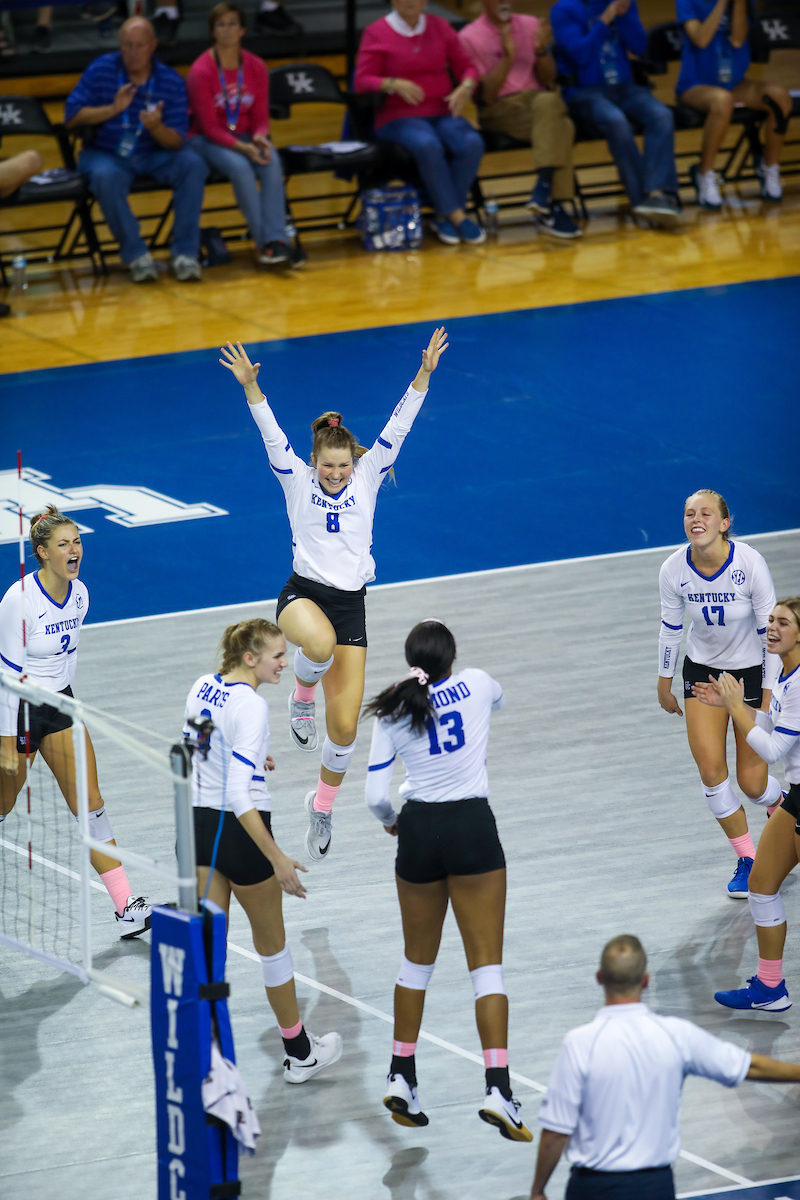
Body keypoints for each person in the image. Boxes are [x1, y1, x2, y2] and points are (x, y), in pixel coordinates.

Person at [219, 327, 448, 863]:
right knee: (317, 645)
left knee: (344, 730)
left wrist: (423, 374)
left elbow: (399, 425)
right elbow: (271, 433)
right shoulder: (296, 480)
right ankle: (301, 696)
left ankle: (320, 807)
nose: (337, 474)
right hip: (302, 597)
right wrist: (251, 387)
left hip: (351, 607)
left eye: (344, 465)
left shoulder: (368, 476)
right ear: (315, 460)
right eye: (328, 465)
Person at [363, 619, 531, 1141]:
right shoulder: (476, 683)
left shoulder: (392, 707)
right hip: (471, 827)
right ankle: (498, 1090)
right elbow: (499, 699)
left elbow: (375, 797)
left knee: (415, 963)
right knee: (487, 971)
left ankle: (401, 1074)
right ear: (451, 656)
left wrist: (393, 822)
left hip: (418, 830)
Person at [183, 618, 342, 1082]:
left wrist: (251, 756)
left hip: (197, 829)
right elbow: (238, 793)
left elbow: (196, 750)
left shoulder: (202, 686)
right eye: (277, 655)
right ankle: (299, 1053)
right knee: (272, 948)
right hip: (241, 835)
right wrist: (276, 857)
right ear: (250, 659)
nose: (285, 663)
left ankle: (206, 1055)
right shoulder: (251, 705)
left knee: (209, 948)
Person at [528, 934, 800, 1200]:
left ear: (600, 978)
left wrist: (538, 1190)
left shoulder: (578, 1043)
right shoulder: (676, 1035)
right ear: (646, 981)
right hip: (654, 1187)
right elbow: (751, 1067)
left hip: (591, 1189)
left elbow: (555, 1133)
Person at [0, 506, 151, 938]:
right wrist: (7, 744)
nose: (74, 550)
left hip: (61, 706)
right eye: (63, 544)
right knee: (2, 805)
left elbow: (66, 661)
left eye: (78, 542)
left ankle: (126, 905)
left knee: (91, 804)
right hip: (18, 709)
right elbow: (6, 677)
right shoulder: (19, 601)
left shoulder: (80, 594)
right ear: (42, 552)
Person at [657, 488, 780, 896]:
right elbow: (671, 627)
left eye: (706, 513)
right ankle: (749, 859)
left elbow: (771, 636)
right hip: (703, 673)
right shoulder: (673, 569)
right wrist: (664, 681)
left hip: (749, 674)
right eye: (690, 513)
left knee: (752, 784)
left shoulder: (749, 563)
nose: (696, 519)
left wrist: (767, 697)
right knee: (711, 773)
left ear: (724, 524)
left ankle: (783, 806)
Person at [694, 597, 800, 1013]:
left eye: (783, 623)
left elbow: (772, 751)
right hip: (796, 799)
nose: (771, 627)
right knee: (760, 885)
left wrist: (738, 710)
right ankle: (771, 988)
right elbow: (771, 727)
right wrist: (732, 706)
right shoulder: (787, 675)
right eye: (770, 620)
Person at [64, 17, 208, 283]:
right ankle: (136, 255)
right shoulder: (100, 69)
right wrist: (112, 110)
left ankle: (185, 254)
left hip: (154, 152)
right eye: (127, 45)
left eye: (140, 45)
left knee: (192, 164)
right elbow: (71, 118)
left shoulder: (169, 80)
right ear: (120, 45)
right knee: (105, 176)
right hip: (105, 153)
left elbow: (176, 141)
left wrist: (156, 127)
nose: (133, 52)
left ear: (153, 45)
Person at [354, 0, 487, 246]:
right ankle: (457, 216)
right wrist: (392, 83)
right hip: (397, 116)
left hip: (442, 110)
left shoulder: (440, 26)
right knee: (428, 144)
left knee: (472, 142)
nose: (410, 1)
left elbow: (468, 66)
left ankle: (444, 215)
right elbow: (361, 80)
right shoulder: (376, 32)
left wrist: (467, 86)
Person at [550, 0, 681, 227]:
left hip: (624, 87)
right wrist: (606, 18)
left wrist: (624, 16)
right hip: (584, 92)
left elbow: (639, 47)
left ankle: (657, 194)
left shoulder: (623, 4)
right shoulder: (564, 9)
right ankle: (642, 198)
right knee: (616, 120)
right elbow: (581, 55)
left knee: (662, 115)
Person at [458, 0, 581, 239]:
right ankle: (552, 202)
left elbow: (549, 80)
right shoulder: (469, 37)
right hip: (499, 108)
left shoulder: (531, 24)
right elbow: (487, 96)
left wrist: (541, 51)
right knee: (563, 123)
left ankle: (545, 193)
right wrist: (508, 57)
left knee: (552, 107)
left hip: (537, 103)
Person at [187, 2, 291, 267]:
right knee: (241, 168)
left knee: (271, 160)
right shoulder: (201, 71)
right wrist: (243, 148)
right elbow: (209, 127)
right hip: (205, 139)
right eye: (220, 25)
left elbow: (260, 117)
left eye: (232, 24)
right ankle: (265, 243)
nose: (227, 30)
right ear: (213, 32)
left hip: (243, 134)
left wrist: (260, 137)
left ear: (243, 29)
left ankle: (278, 240)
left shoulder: (256, 66)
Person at [676, 0, 792, 208]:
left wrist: (737, 3)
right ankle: (704, 173)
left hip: (734, 83)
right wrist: (721, 3)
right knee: (722, 100)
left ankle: (769, 168)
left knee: (779, 97)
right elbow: (701, 39)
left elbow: (738, 40)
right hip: (695, 86)